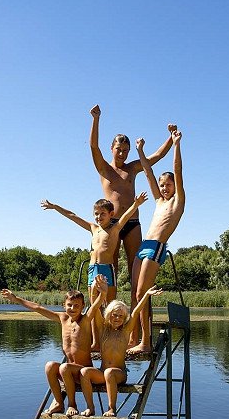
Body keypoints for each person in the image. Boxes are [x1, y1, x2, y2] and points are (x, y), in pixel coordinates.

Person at [0, 276, 107, 417]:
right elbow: (38, 308)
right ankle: (59, 403)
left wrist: (103, 292)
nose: (72, 308)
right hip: (68, 373)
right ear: (64, 305)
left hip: (84, 372)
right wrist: (16, 299)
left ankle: (72, 404)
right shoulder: (62, 318)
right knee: (50, 365)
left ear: (82, 307)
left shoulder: (85, 320)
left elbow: (96, 305)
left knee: (64, 367)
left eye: (76, 305)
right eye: (69, 305)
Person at [89, 104, 176, 277]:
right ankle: (109, 304)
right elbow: (93, 147)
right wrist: (96, 119)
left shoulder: (132, 168)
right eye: (118, 150)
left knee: (135, 265)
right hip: (111, 224)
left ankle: (141, 304)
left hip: (132, 223)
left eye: (125, 151)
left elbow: (156, 156)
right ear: (111, 149)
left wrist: (171, 137)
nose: (122, 154)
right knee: (109, 267)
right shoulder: (104, 169)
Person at [129, 129, 184, 354]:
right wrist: (140, 151)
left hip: (156, 247)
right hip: (143, 247)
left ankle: (146, 341)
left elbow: (178, 171)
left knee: (143, 293)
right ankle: (133, 337)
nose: (164, 187)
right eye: (162, 185)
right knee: (134, 293)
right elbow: (148, 174)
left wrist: (176, 144)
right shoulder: (159, 201)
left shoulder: (177, 202)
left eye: (168, 184)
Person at [41, 193, 147, 307]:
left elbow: (125, 216)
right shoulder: (93, 228)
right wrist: (55, 207)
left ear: (111, 214)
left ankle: (109, 324)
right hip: (92, 269)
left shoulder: (114, 229)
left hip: (106, 268)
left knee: (110, 304)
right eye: (96, 214)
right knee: (94, 305)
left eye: (103, 214)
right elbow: (72, 215)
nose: (99, 217)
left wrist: (136, 204)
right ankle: (94, 325)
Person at [79, 285, 164, 417]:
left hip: (119, 374)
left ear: (124, 318)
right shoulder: (103, 329)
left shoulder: (125, 331)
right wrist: (95, 291)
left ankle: (111, 408)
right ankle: (90, 407)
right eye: (114, 315)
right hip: (103, 373)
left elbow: (136, 312)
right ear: (109, 315)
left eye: (120, 316)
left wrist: (146, 294)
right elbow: (95, 308)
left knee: (109, 372)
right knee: (84, 372)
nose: (117, 318)